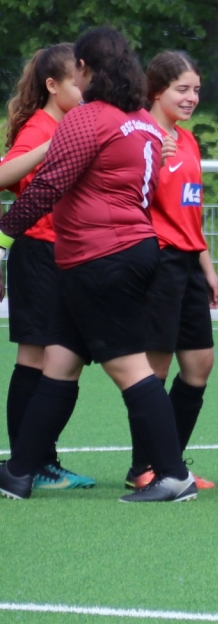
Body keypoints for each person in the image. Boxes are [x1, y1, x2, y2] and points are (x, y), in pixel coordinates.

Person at [0, 27, 197, 502]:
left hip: (100, 256)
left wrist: (1, 238)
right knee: (59, 363)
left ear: (85, 68)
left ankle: (174, 476)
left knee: (129, 368)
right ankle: (19, 472)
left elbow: (47, 187)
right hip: (122, 251)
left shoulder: (88, 118)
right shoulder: (142, 121)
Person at [0, 43, 95, 490]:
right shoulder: (42, 126)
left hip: (67, 255)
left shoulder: (75, 123)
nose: (85, 89)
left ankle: (39, 460)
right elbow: (4, 175)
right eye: (78, 82)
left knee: (61, 360)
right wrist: (48, 147)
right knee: (35, 359)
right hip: (38, 254)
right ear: (53, 85)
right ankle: (28, 463)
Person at [128, 52, 218, 492]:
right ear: (156, 90)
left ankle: (172, 463)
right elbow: (127, 202)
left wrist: (208, 267)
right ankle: (143, 467)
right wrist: (155, 165)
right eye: (182, 89)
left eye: (196, 90)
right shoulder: (139, 135)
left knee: (200, 364)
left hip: (188, 262)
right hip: (157, 261)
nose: (191, 98)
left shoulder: (187, 140)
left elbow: (190, 213)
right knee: (155, 369)